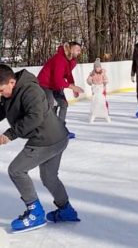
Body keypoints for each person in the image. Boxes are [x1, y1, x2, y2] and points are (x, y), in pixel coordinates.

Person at [0, 64, 79, 232]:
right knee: (49, 177)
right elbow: (2, 110)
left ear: (12, 82)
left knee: (16, 170)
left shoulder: (31, 91)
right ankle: (66, 211)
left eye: (0, 90)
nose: (1, 94)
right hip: (58, 136)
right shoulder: (10, 92)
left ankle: (35, 213)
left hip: (46, 138)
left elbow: (34, 117)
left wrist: (9, 134)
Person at [37, 42, 84, 139]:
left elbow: (68, 74)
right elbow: (58, 80)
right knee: (50, 105)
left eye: (80, 50)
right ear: (70, 49)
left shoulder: (72, 60)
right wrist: (73, 87)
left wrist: (73, 87)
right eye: (77, 50)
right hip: (44, 84)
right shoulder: (59, 59)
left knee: (63, 104)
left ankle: (60, 128)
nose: (79, 52)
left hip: (55, 85)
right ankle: (47, 130)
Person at [86, 58, 110, 123]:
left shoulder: (103, 73)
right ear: (94, 68)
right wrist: (90, 82)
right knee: (96, 101)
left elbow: (106, 79)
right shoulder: (92, 73)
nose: (98, 68)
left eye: (99, 67)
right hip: (95, 90)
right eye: (97, 67)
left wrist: (105, 82)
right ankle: (95, 113)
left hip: (102, 89)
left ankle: (106, 112)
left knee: (103, 100)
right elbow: (88, 80)